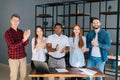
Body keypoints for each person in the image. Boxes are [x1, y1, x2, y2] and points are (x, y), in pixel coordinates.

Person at [4, 13, 31, 80]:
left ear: (19, 22)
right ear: (10, 21)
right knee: (14, 76)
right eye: (14, 20)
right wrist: (23, 39)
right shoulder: (7, 33)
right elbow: (12, 46)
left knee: (23, 75)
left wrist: (26, 38)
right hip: (13, 58)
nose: (16, 22)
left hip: (23, 56)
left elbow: (25, 44)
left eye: (17, 20)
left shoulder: (21, 31)